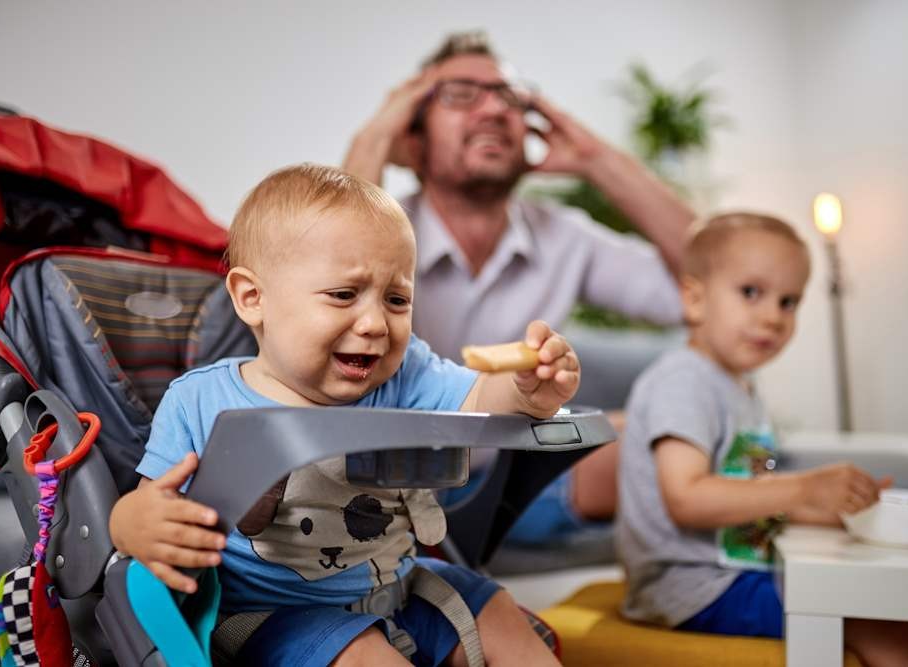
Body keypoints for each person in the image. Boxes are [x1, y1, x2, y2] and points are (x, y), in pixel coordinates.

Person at [108, 164, 578, 666]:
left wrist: (531, 390)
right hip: (272, 613)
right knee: (363, 655)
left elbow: (484, 398)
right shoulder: (199, 402)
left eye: (397, 299)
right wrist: (131, 524)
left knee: (498, 610)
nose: (376, 323)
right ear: (252, 298)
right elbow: (147, 504)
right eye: (343, 295)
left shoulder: (407, 375)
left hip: (398, 586)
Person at [343, 30, 695, 536]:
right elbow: (338, 285)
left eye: (509, 97)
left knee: (671, 432)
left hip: (511, 477)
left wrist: (599, 162)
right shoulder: (377, 231)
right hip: (385, 491)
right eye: (461, 94)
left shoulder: (565, 236)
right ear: (412, 142)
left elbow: (712, 287)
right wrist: (375, 137)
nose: (492, 109)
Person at [616, 213, 908, 666]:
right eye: (751, 293)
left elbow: (755, 503)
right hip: (691, 586)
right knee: (887, 630)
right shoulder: (683, 382)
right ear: (695, 298)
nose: (773, 317)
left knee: (874, 599)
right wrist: (804, 487)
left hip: (729, 572)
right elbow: (686, 499)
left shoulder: (742, 390)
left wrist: (842, 512)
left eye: (789, 302)